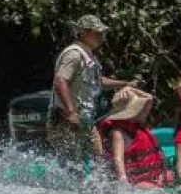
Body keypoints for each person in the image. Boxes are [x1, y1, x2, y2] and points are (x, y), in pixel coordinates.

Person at [50, 15, 136, 165]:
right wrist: (70, 113)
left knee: (97, 158)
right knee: (69, 162)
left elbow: (99, 81)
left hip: (84, 119)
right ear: (83, 32)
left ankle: (94, 187)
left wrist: (124, 83)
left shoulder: (88, 56)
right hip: (67, 119)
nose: (101, 37)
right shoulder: (74, 54)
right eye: (97, 33)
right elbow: (60, 81)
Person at [99, 86, 170, 189]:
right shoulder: (118, 132)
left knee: (168, 176)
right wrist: (124, 184)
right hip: (135, 182)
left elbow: (149, 98)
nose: (145, 110)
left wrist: (131, 89)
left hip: (150, 178)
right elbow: (117, 159)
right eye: (140, 108)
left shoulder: (138, 126)